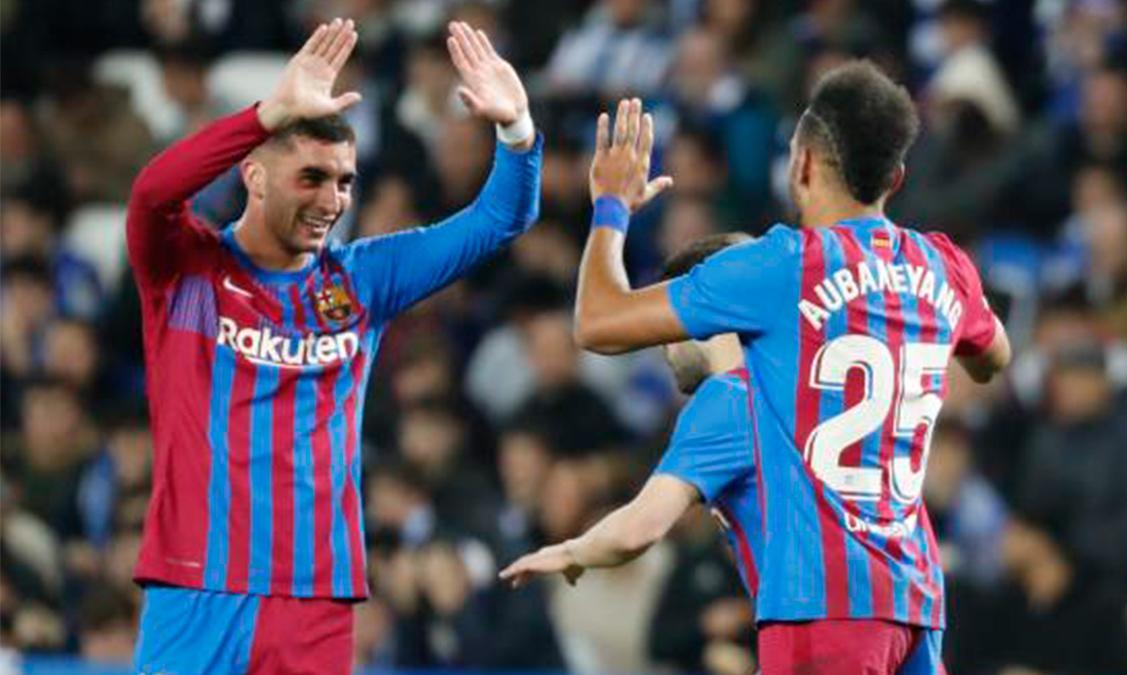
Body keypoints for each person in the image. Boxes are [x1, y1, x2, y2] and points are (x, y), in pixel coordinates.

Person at [125, 18, 541, 674]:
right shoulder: (188, 269)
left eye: (345, 180)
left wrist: (517, 132)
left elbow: (500, 219)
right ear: (255, 176)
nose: (333, 200)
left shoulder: (362, 280)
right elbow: (153, 191)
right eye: (311, 177)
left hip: (313, 596)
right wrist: (265, 114)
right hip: (196, 582)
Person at [572, 61, 1011, 673]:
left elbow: (597, 321)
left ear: (800, 163)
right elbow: (994, 357)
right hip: (915, 602)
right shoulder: (942, 264)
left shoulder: (781, 265)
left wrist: (611, 208)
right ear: (897, 176)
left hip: (823, 604)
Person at [499, 232, 761, 597]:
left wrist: (572, 550)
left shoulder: (725, 401)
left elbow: (638, 529)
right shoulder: (793, 387)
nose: (662, 346)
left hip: (815, 632)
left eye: (667, 325)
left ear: (699, 316)